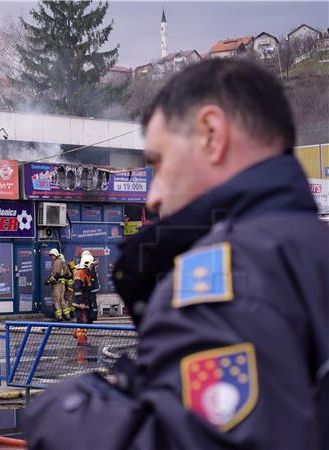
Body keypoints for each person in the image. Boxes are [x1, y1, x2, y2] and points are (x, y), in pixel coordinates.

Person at [24, 59, 329, 449]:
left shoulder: (226, 277)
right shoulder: (310, 253)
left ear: (211, 135)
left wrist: (63, 412)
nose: (153, 197)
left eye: (159, 162)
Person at [45, 249, 70, 321]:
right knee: (62, 300)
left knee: (56, 300)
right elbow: (67, 274)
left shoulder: (57, 262)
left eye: (52, 255)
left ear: (55, 255)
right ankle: (67, 315)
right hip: (62, 284)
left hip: (57, 284)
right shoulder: (62, 262)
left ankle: (59, 317)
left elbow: (56, 274)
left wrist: (48, 281)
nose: (51, 257)